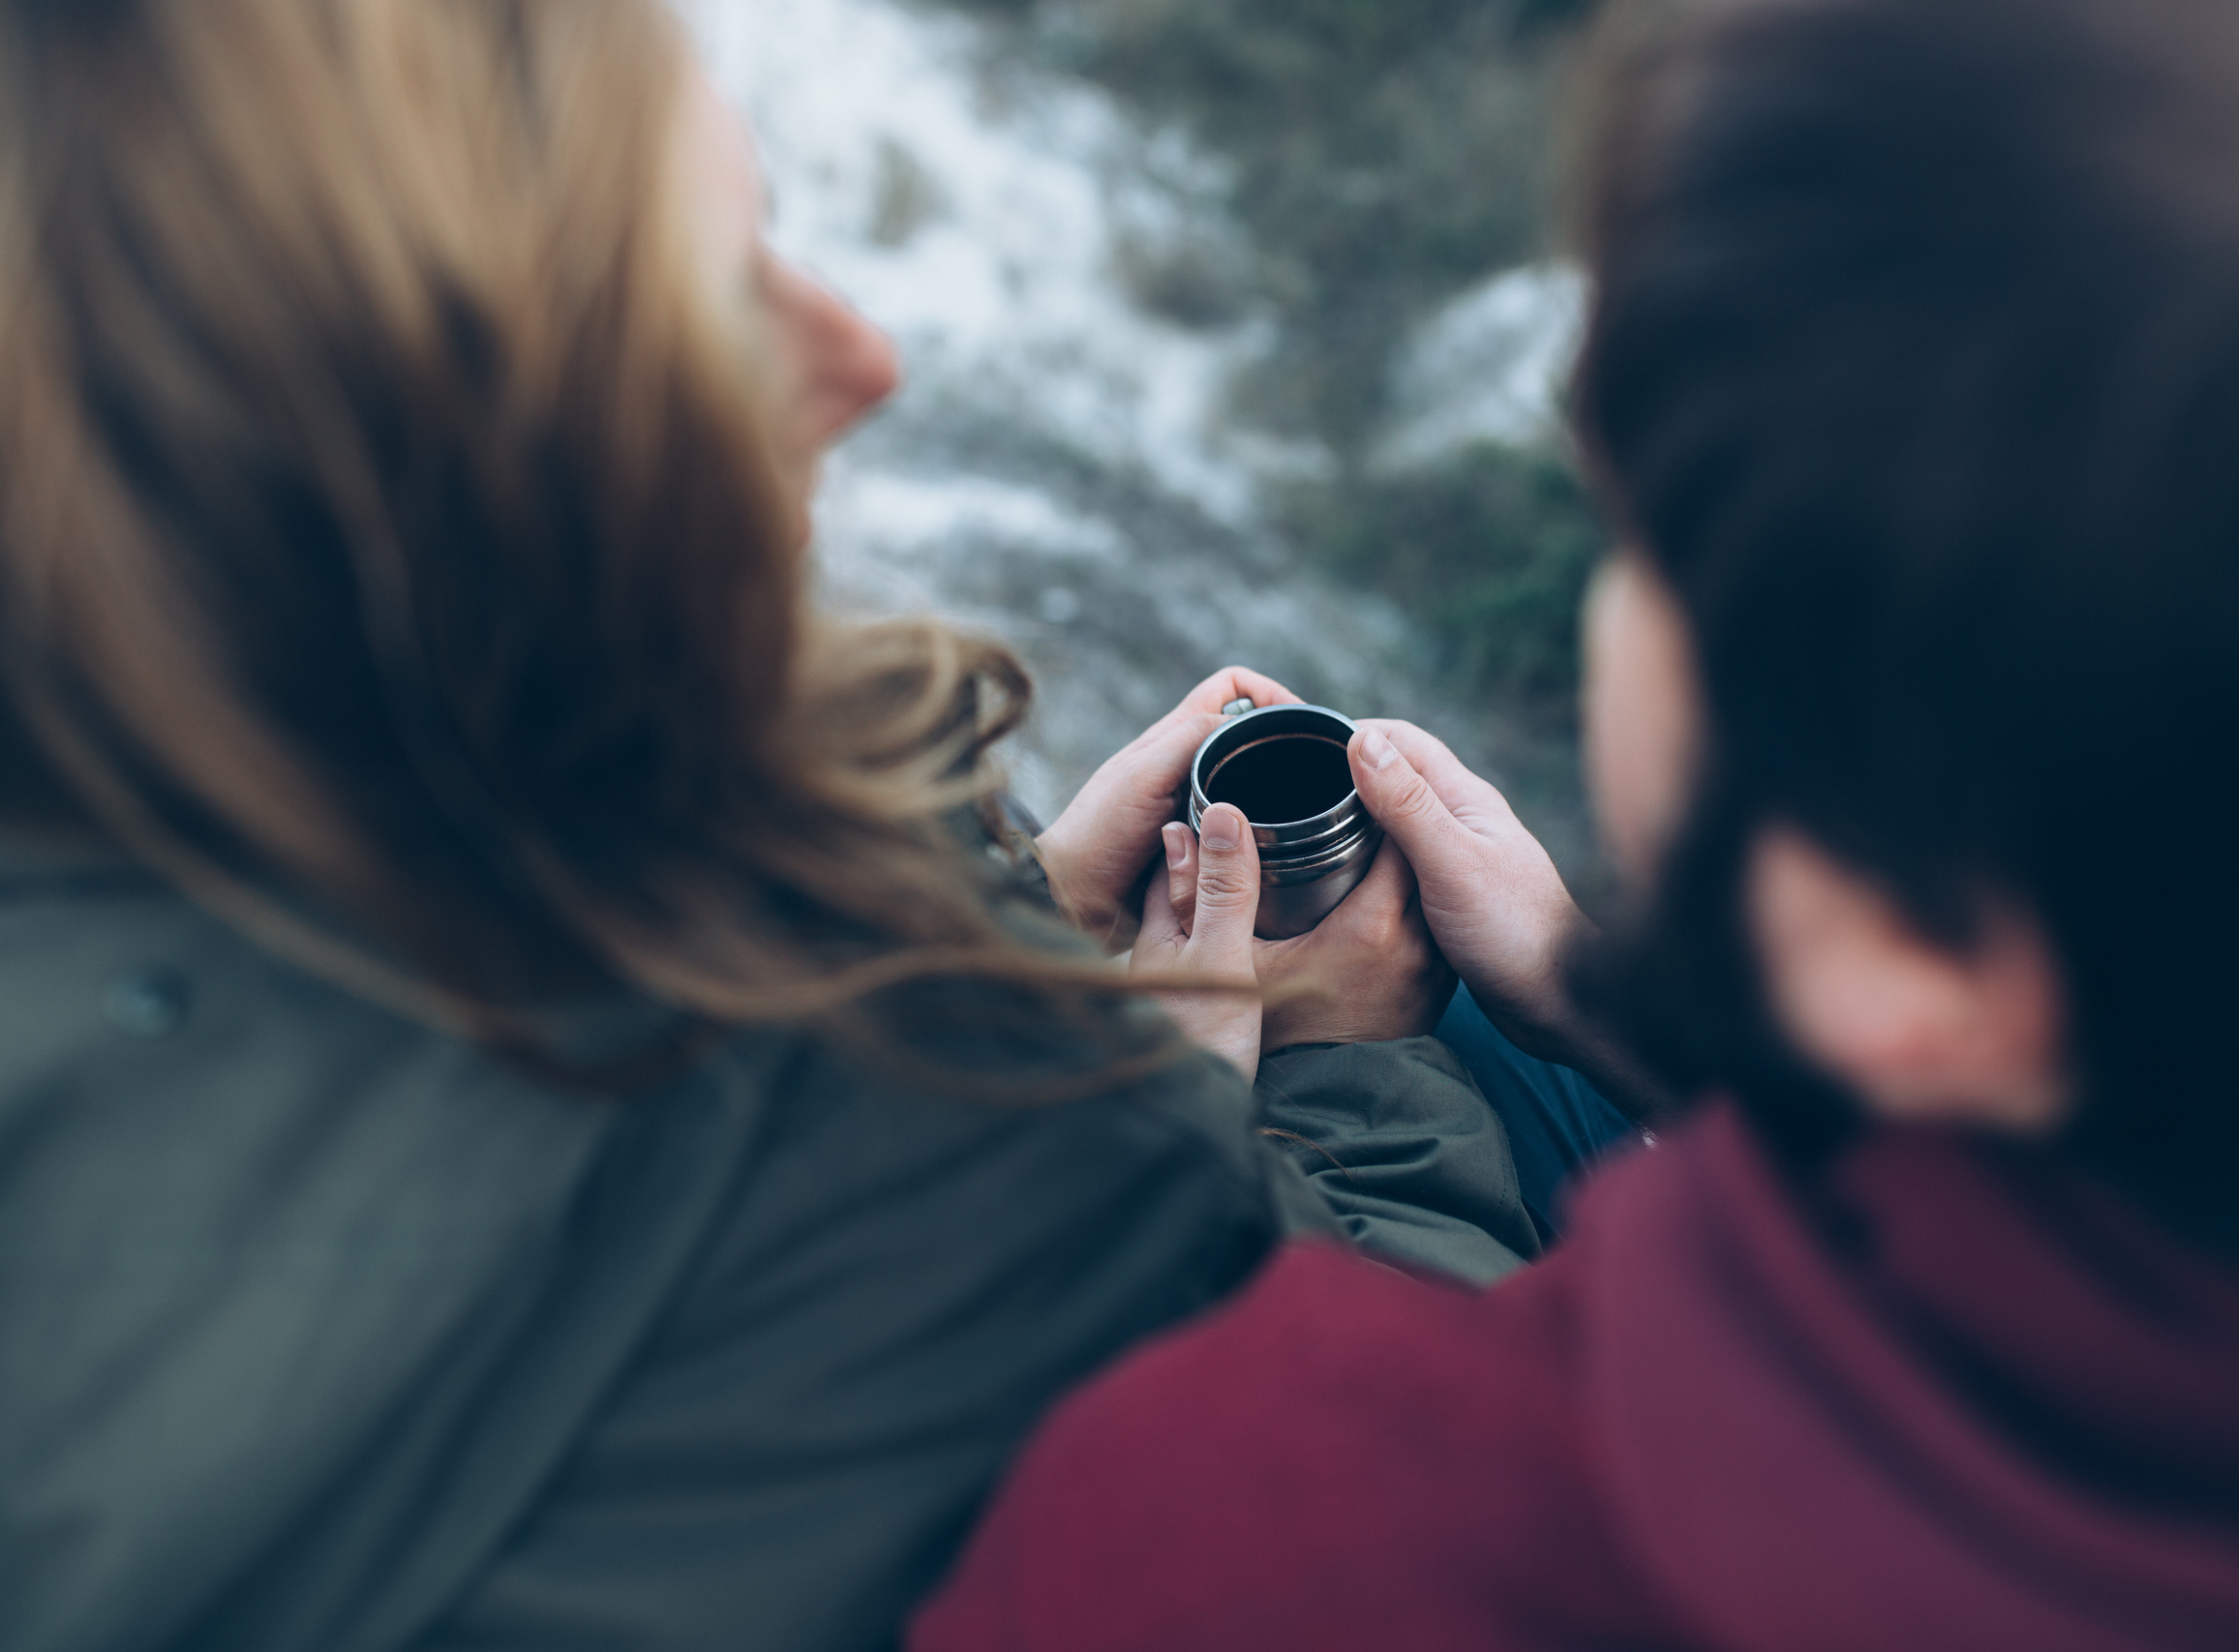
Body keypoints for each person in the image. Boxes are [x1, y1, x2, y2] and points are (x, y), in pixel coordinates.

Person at [912, 0, 2239, 1646]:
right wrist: (1610, 1008)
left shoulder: (1271, 1527)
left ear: (1909, 945)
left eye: (1646, 549)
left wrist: (1135, 1157)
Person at [0, 3, 1536, 1648]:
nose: (862, 361)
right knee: (1544, 1077)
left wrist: (1000, 909)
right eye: (716, 296)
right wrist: (1317, 1074)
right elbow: (1496, 1519)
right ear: (468, 460)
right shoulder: (1024, 1167)